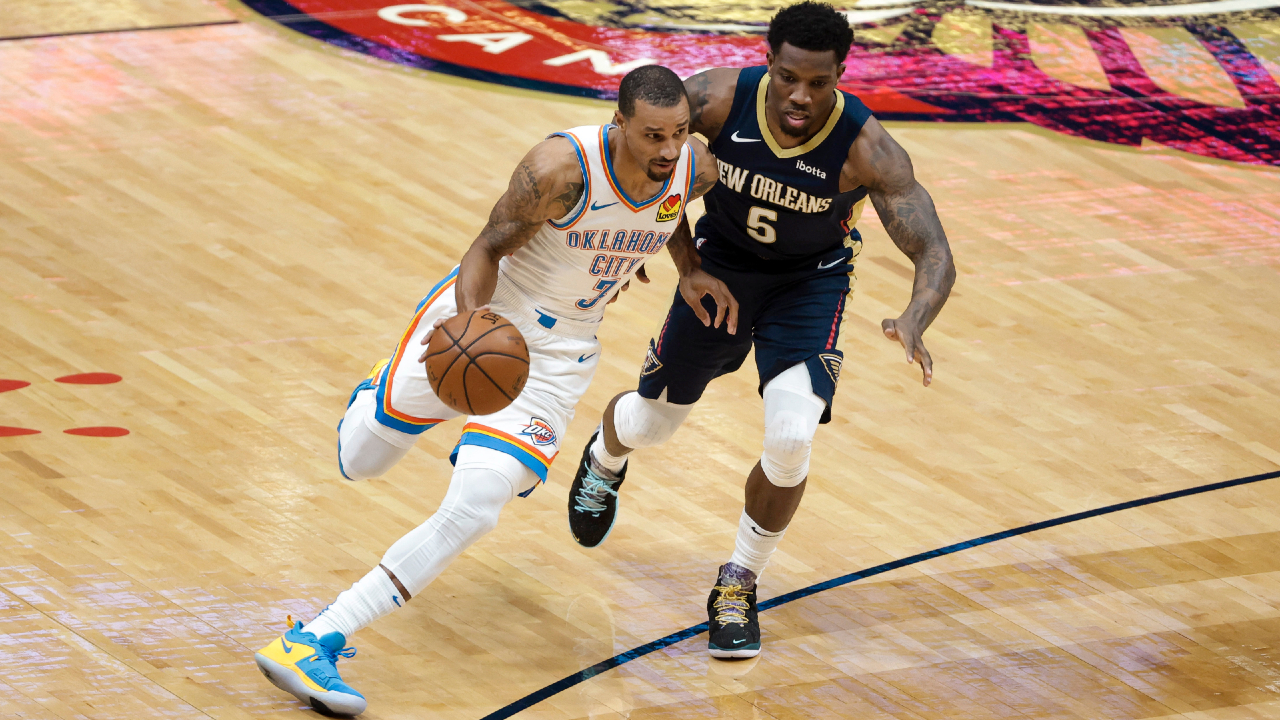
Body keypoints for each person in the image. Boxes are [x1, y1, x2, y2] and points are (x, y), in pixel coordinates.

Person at [253, 65, 721, 716]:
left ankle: (318, 638)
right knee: (361, 462)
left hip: (561, 354)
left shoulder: (695, 167)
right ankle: (381, 392)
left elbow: (668, 212)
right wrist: (469, 326)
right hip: (486, 321)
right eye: (652, 136)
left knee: (478, 505)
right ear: (618, 125)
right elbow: (485, 249)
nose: (668, 150)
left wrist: (685, 267)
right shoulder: (560, 170)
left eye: (678, 133)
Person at [566, 1, 956, 660]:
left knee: (791, 436)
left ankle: (739, 582)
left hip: (809, 284)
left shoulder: (867, 148)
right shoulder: (714, 101)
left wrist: (916, 315)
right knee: (654, 424)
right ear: (767, 62)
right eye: (788, 78)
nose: (800, 96)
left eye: (819, 83)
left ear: (841, 75)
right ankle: (605, 457)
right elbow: (633, 162)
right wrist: (677, 261)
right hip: (717, 266)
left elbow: (935, 251)